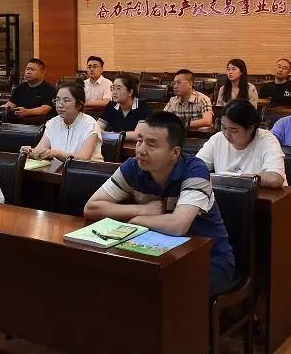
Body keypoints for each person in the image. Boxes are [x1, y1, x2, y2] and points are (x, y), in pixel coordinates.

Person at [84, 111, 235, 296]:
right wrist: (143, 210)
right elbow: (91, 208)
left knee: (158, 295)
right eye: (139, 141)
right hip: (155, 255)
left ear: (174, 153)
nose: (141, 150)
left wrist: (136, 220)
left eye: (151, 144)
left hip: (208, 259)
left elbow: (178, 225)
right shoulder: (132, 166)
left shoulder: (195, 170)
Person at [196, 100, 287, 188]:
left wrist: (235, 178)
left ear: (250, 128)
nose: (227, 135)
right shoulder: (217, 139)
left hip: (267, 196)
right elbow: (194, 168)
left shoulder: (267, 140)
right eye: (224, 128)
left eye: (233, 130)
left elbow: (275, 179)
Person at [21, 81, 103, 162]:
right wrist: (30, 152)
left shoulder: (90, 124)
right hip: (59, 169)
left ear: (79, 105)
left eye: (66, 100)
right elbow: (39, 151)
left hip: (88, 169)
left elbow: (83, 158)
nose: (60, 105)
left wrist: (56, 153)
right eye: (57, 100)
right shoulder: (52, 123)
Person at [97, 73, 151, 140]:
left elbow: (138, 134)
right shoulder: (111, 105)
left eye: (118, 88)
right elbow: (97, 129)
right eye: (113, 88)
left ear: (130, 92)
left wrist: (110, 135)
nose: (114, 92)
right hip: (114, 144)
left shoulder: (142, 106)